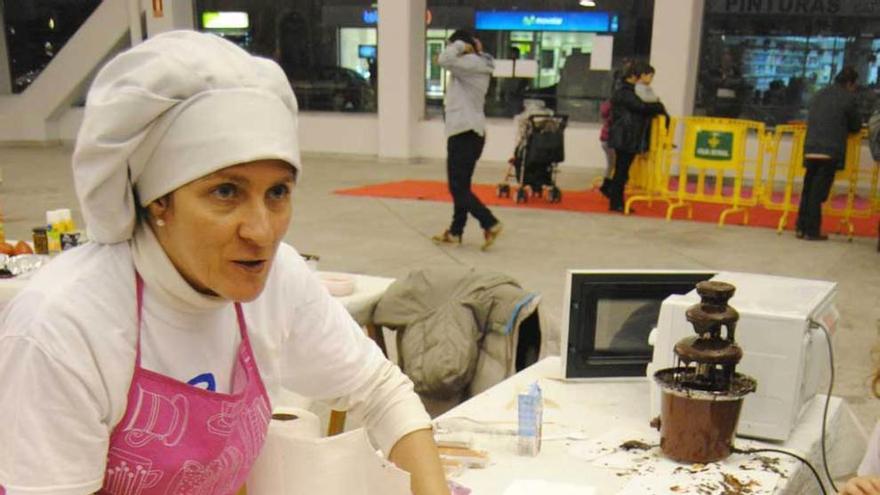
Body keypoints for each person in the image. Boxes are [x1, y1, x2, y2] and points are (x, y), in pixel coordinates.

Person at [0, 31, 449, 495]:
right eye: (225, 192)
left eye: (277, 193)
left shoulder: (279, 280)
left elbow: (380, 393)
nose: (261, 231)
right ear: (159, 202)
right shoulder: (63, 327)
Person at [432, 29, 503, 251]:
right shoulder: (476, 64)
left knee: (458, 188)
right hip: (470, 133)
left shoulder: (471, 62)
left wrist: (461, 46)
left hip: (464, 133)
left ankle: (489, 222)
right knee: (461, 186)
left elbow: (443, 59)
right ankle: (455, 231)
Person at [796, 66, 861, 241]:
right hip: (830, 150)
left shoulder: (820, 94)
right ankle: (812, 230)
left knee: (808, 189)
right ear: (850, 83)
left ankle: (800, 227)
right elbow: (856, 126)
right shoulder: (848, 98)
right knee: (818, 192)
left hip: (810, 147)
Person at [606, 61, 667, 213]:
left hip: (626, 135)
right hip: (626, 136)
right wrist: (658, 106)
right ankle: (616, 202)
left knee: (622, 169)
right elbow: (642, 107)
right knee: (622, 170)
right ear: (633, 76)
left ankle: (615, 198)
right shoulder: (626, 93)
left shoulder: (624, 91)